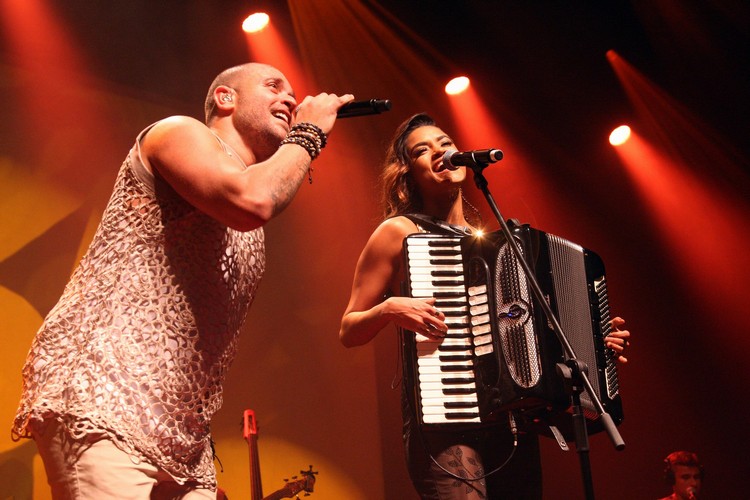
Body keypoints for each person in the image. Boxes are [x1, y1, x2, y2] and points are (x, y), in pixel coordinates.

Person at [12, 62, 353, 499]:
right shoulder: (178, 132)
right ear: (225, 98)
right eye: (273, 86)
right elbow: (253, 200)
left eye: (291, 92)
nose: (290, 98)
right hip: (102, 397)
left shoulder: (248, 209)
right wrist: (308, 133)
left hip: (180, 440)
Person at [339, 113, 631, 499]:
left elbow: (531, 325)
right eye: (422, 150)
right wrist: (390, 307)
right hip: (447, 422)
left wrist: (595, 341)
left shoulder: (494, 247)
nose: (439, 152)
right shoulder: (399, 232)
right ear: (407, 172)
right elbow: (349, 329)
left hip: (511, 423)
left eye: (445, 143)